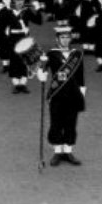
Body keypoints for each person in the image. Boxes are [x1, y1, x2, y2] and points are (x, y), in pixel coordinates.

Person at [37, 26, 86, 166]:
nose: (65, 40)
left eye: (68, 37)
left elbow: (81, 76)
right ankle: (58, 152)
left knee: (71, 123)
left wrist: (82, 93)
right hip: (57, 94)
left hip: (74, 94)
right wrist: (41, 73)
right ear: (57, 39)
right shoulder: (51, 54)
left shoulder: (77, 54)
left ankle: (68, 151)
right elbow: (43, 72)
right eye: (62, 37)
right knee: (56, 123)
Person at [0, 0, 42, 94]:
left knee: (24, 61)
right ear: (13, 0)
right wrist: (0, 11)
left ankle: (23, 84)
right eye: (17, 0)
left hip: (24, 38)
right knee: (14, 61)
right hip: (13, 38)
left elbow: (39, 21)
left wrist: (38, 9)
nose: (20, 2)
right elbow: (0, 24)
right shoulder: (8, 12)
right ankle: (16, 84)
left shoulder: (26, 11)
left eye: (22, 0)